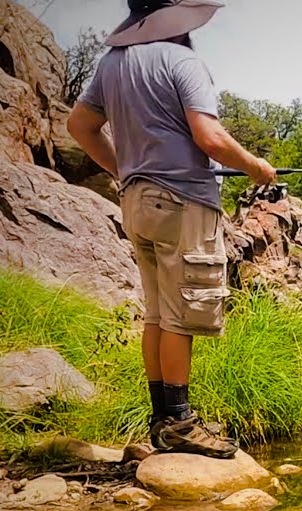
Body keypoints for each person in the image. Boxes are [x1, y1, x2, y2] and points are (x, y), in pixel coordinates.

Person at [67, 0, 277, 458]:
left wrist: (123, 168)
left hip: (136, 202)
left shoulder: (113, 64)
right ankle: (181, 424)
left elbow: (79, 125)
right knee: (182, 315)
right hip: (182, 203)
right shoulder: (182, 61)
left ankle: (162, 421)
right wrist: (256, 167)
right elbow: (210, 138)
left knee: (158, 315)